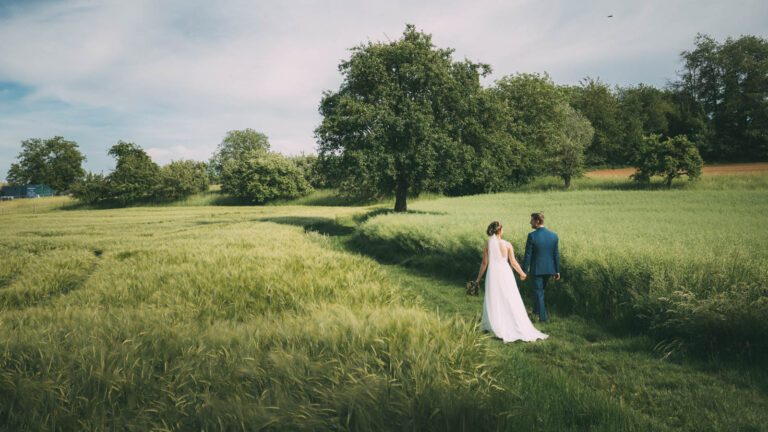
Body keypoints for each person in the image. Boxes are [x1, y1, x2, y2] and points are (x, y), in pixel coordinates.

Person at [475, 221, 548, 342]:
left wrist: (478, 279)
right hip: (505, 273)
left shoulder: (488, 244)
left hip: (493, 273)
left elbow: (484, 263)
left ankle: (495, 323)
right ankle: (513, 321)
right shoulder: (507, 244)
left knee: (494, 297)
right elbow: (513, 262)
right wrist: (522, 273)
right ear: (500, 230)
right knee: (510, 297)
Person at [523, 212, 560, 323]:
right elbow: (556, 254)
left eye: (532, 220)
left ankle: (543, 319)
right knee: (540, 292)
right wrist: (557, 270)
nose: (530, 222)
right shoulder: (554, 235)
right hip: (549, 270)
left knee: (539, 292)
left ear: (537, 221)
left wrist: (524, 270)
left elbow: (528, 255)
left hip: (537, 270)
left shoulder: (532, 236)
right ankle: (535, 313)